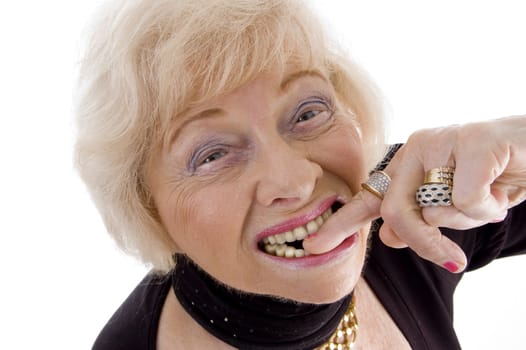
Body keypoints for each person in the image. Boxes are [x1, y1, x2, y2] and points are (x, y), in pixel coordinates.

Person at [74, 0, 526, 348]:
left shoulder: (409, 202)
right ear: (148, 208)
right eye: (212, 155)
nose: (295, 181)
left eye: (308, 112)